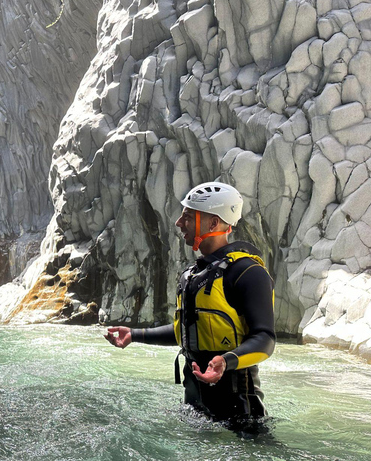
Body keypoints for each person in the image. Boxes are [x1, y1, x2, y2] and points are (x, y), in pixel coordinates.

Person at [104, 182, 275, 430]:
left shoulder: (248, 272)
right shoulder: (195, 274)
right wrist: (135, 335)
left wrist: (226, 361)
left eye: (187, 216)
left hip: (240, 410)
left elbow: (265, 339)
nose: (178, 222)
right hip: (195, 404)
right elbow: (185, 331)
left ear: (213, 223)